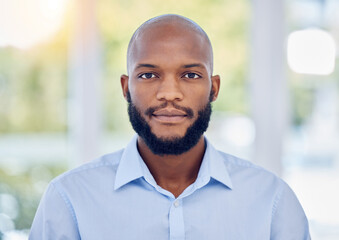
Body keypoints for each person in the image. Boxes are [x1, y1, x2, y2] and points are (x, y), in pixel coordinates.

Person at [29, 14, 310, 240]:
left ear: (214, 88)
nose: (169, 93)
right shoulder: (70, 200)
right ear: (126, 88)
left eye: (190, 75)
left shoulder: (272, 200)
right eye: (149, 74)